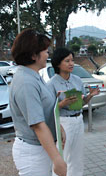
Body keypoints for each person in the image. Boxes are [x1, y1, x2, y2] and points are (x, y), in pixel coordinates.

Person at [10, 28, 67, 176]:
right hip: (32, 153)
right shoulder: (26, 82)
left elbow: (46, 109)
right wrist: (57, 159)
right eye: (45, 50)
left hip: (40, 148)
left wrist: (58, 127)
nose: (48, 54)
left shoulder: (35, 76)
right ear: (33, 55)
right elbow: (38, 125)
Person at [47, 47, 100, 176]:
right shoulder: (51, 84)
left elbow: (81, 103)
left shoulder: (77, 80)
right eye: (67, 61)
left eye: (72, 60)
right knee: (62, 156)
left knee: (77, 157)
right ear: (58, 63)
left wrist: (90, 95)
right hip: (64, 123)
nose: (71, 64)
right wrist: (62, 103)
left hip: (78, 120)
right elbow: (49, 110)